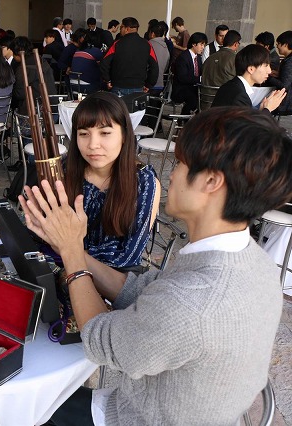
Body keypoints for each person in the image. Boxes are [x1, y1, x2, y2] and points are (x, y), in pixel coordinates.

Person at [21, 106, 292, 425]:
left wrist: (71, 255)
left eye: (180, 164)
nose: (172, 174)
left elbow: (99, 339)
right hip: (168, 403)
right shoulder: (246, 258)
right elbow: (142, 290)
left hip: (137, 418)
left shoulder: (194, 303)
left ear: (211, 182)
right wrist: (67, 246)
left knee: (20, 404)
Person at [63, 92, 160, 269]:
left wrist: (68, 250)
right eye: (84, 134)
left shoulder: (143, 182)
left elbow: (126, 255)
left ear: (124, 135)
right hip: (60, 266)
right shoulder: (66, 170)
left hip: (111, 281)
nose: (93, 144)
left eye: (105, 132)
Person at [211, 44, 286, 111]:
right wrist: (267, 109)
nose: (269, 71)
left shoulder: (231, 85)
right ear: (251, 69)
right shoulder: (240, 96)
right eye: (266, 65)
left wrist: (261, 110)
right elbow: (248, 126)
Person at [100, 17, 159, 95]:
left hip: (118, 86)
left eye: (121, 27)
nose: (120, 30)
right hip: (138, 87)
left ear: (126, 29)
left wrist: (107, 80)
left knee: (118, 107)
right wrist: (149, 84)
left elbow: (104, 63)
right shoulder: (147, 44)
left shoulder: (117, 44)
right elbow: (154, 66)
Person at [11, 36, 55, 114]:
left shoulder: (24, 68)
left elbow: (19, 94)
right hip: (52, 109)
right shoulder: (43, 62)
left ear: (17, 53)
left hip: (33, 114)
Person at [171, 32, 207, 114]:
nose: (203, 47)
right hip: (181, 89)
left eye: (204, 45)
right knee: (194, 99)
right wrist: (200, 79)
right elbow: (182, 77)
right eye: (201, 44)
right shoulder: (183, 57)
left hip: (194, 88)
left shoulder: (198, 57)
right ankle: (183, 121)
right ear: (194, 44)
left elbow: (201, 72)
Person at [268, 30, 292, 113]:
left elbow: (284, 86)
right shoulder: (288, 59)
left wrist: (267, 77)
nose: (277, 46)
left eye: (278, 43)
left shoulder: (289, 62)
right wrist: (278, 74)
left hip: (285, 104)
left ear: (285, 45)